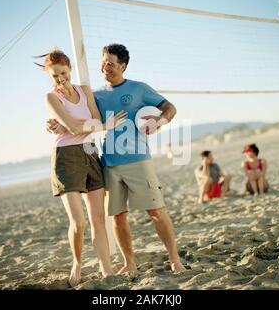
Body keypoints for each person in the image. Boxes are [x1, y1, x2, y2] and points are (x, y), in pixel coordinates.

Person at [47, 44, 186, 276]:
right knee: (118, 217)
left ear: (123, 66)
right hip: (108, 163)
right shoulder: (96, 95)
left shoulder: (139, 88)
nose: (105, 67)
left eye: (111, 63)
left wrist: (159, 122)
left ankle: (175, 259)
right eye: (103, 62)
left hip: (138, 160)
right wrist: (57, 124)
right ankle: (129, 263)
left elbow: (170, 107)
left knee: (156, 212)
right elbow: (86, 121)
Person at [37, 49, 127, 286]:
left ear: (70, 69)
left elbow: (91, 122)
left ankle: (106, 268)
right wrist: (78, 125)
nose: (60, 79)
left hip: (90, 153)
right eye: (55, 76)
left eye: (63, 73)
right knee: (78, 222)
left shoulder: (84, 90)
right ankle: (77, 263)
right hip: (66, 157)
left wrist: (71, 124)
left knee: (98, 217)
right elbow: (79, 128)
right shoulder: (51, 98)